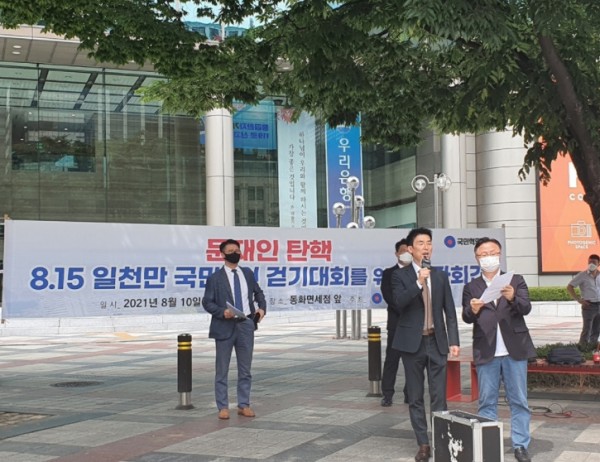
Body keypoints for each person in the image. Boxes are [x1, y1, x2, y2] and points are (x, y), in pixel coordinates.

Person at [462, 237, 536, 462]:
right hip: (486, 350)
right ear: (476, 258)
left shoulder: (515, 280)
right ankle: (488, 445)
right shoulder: (471, 286)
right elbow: (466, 316)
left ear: (500, 254)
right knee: (487, 401)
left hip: (514, 350)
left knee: (519, 400)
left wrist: (513, 297)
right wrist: (473, 310)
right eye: (483, 254)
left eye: (492, 253)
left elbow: (526, 308)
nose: (488, 258)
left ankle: (520, 445)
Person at [391, 227, 460, 462]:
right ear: (411, 249)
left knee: (439, 395)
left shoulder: (440, 276)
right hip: (412, 344)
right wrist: (419, 283)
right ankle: (423, 444)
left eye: (429, 242)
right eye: (421, 243)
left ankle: (440, 440)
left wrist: (454, 341)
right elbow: (398, 303)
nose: (426, 247)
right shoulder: (399, 276)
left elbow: (449, 311)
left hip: (436, 342)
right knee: (416, 396)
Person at [202, 238, 267, 420]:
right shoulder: (215, 278)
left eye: (237, 250)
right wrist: (222, 312)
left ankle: (244, 404)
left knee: (245, 369)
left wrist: (262, 308)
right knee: (222, 369)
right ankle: (223, 407)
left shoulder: (247, 273)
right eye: (231, 251)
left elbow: (258, 293)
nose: (235, 253)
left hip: (246, 324)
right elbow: (207, 302)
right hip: (224, 326)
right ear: (222, 254)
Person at [380, 238, 411, 407]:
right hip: (396, 323)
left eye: (409, 251)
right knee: (392, 360)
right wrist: (405, 309)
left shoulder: (418, 272)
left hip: (414, 324)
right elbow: (388, 296)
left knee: (412, 361)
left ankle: (410, 393)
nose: (406, 254)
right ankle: (387, 394)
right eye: (403, 251)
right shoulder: (389, 273)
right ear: (396, 254)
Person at [566, 254, 600, 348]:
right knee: (587, 329)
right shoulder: (582, 275)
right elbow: (570, 287)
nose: (591, 264)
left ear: (598, 264)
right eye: (590, 262)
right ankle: (582, 348)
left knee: (597, 329)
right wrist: (579, 300)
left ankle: (593, 347)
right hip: (589, 305)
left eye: (594, 262)